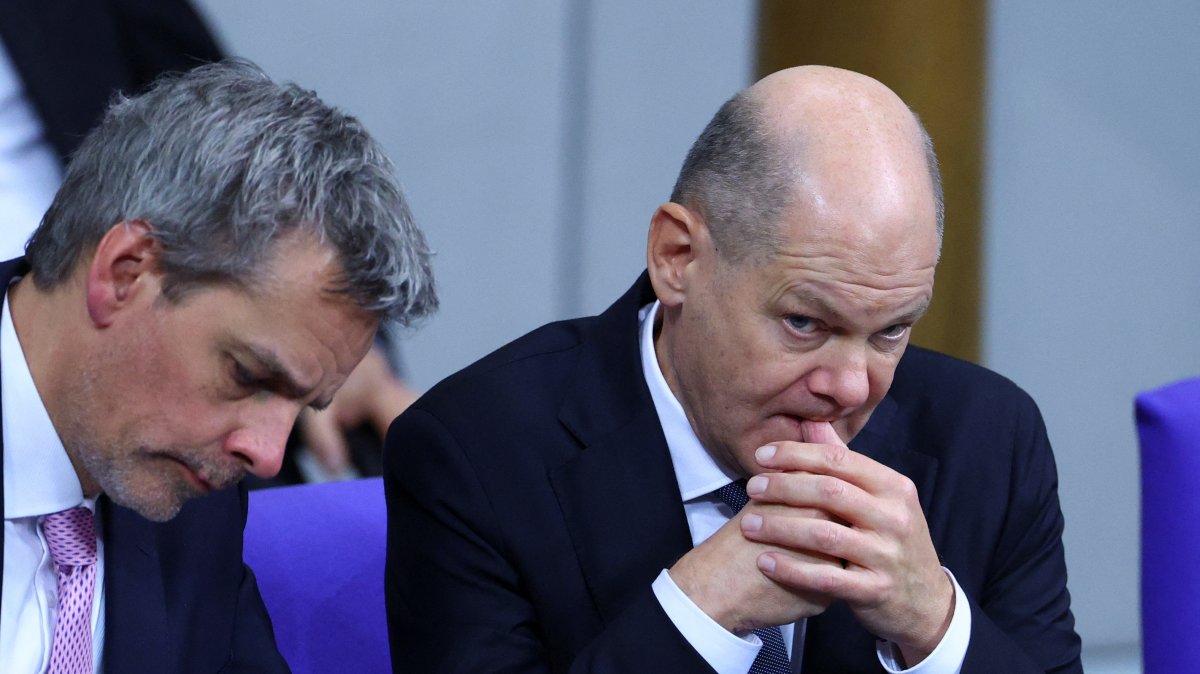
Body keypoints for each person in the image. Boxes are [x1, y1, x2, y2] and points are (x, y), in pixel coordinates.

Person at [384, 65, 1080, 673]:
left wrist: (933, 623)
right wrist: (699, 615)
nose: (851, 385)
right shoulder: (476, 452)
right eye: (805, 323)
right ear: (677, 258)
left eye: (890, 331)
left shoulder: (987, 439)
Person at [0, 59, 436, 672]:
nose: (267, 456)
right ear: (126, 273)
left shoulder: (193, 508)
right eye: (249, 375)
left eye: (304, 407)